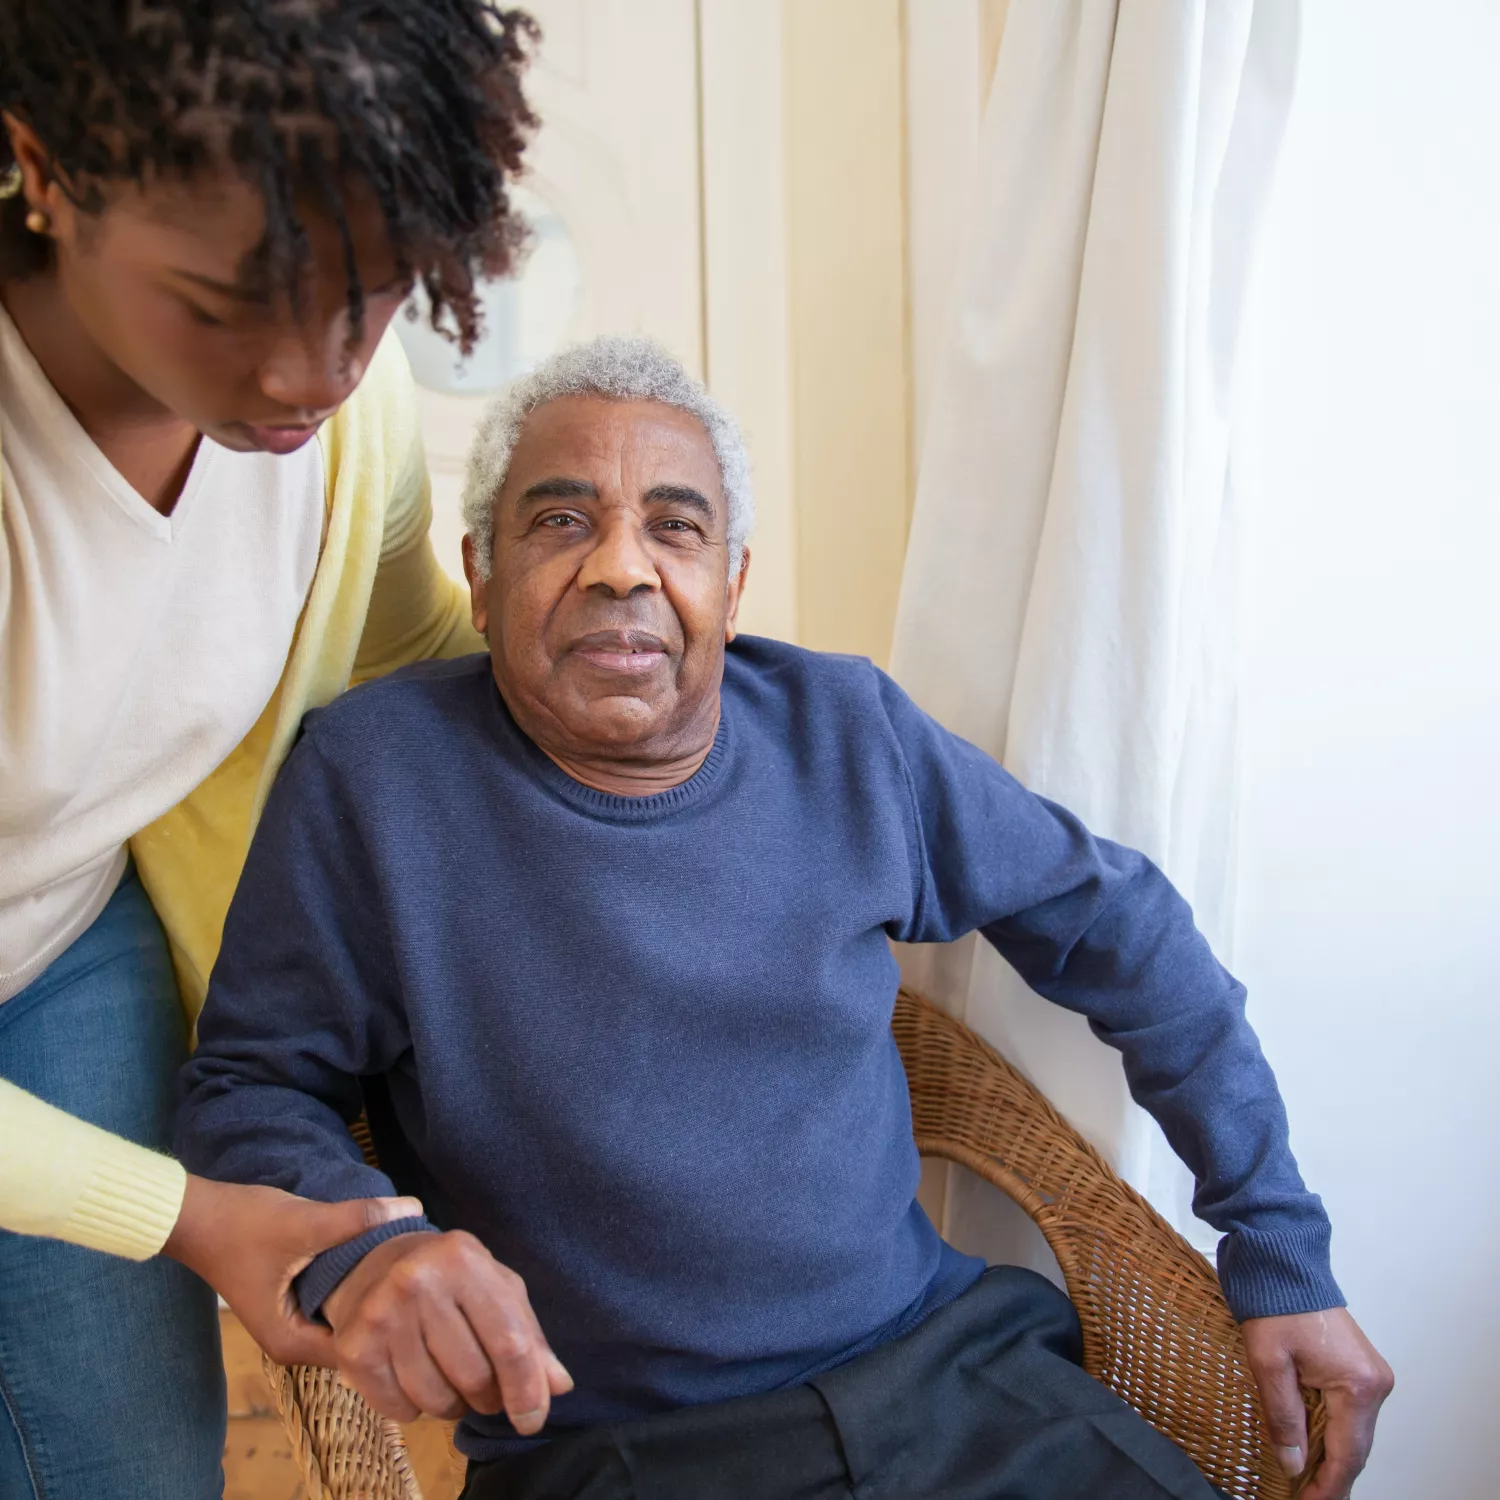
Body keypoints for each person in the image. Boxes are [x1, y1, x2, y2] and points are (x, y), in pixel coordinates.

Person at [176, 336, 1394, 1500]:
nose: (620, 567)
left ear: (732, 583)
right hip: (619, 1451)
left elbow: (1121, 930)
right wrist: (363, 1249)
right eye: (559, 522)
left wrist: (1275, 1243)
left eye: (676, 526)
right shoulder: (374, 779)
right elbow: (245, 1088)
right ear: (482, 579)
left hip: (955, 1383)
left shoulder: (845, 730)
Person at [0, 3, 537, 1496]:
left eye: (368, 299)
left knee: (122, 1466)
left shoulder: (345, 428)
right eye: (227, 305)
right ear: (42, 167)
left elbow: (405, 653)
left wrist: (688, 766)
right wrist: (179, 1213)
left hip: (52, 936)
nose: (311, 371)